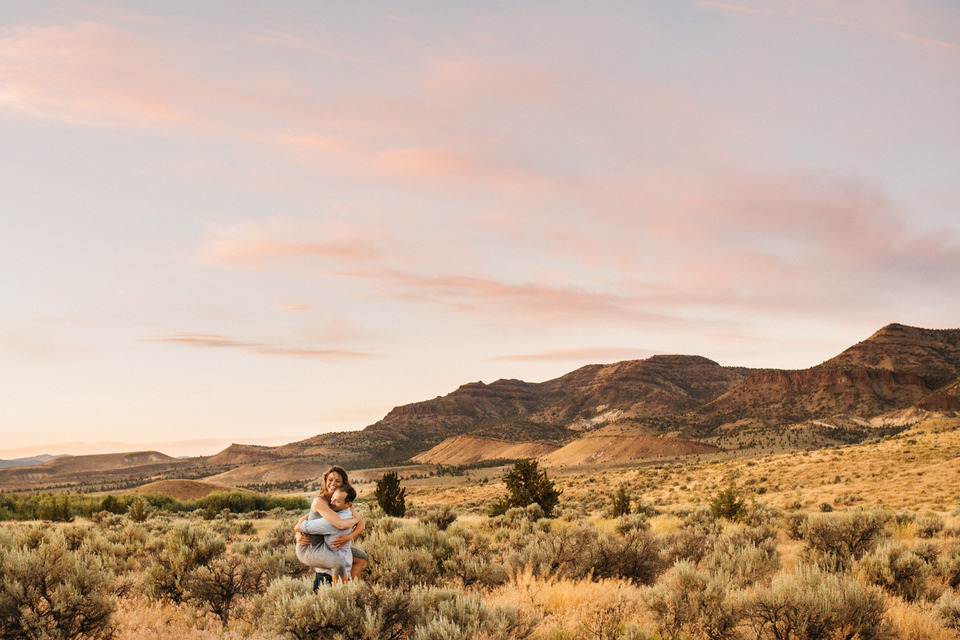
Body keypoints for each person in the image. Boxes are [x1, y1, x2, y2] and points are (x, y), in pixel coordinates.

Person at [294, 466, 367, 589]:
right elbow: (339, 524)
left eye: (338, 481)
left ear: (343, 484)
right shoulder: (321, 501)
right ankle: (340, 593)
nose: (333, 483)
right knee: (337, 564)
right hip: (310, 546)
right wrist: (298, 532)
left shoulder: (342, 501)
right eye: (330, 480)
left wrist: (347, 537)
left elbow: (361, 525)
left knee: (361, 556)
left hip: (325, 543)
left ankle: (351, 588)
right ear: (325, 481)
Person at [295, 483, 357, 582]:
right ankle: (348, 587)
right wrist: (354, 521)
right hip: (313, 551)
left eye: (337, 501)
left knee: (342, 563)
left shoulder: (333, 522)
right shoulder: (345, 512)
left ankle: (345, 589)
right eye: (333, 497)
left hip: (324, 561)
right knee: (350, 560)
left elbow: (299, 527)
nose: (331, 502)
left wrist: (298, 528)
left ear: (348, 504)